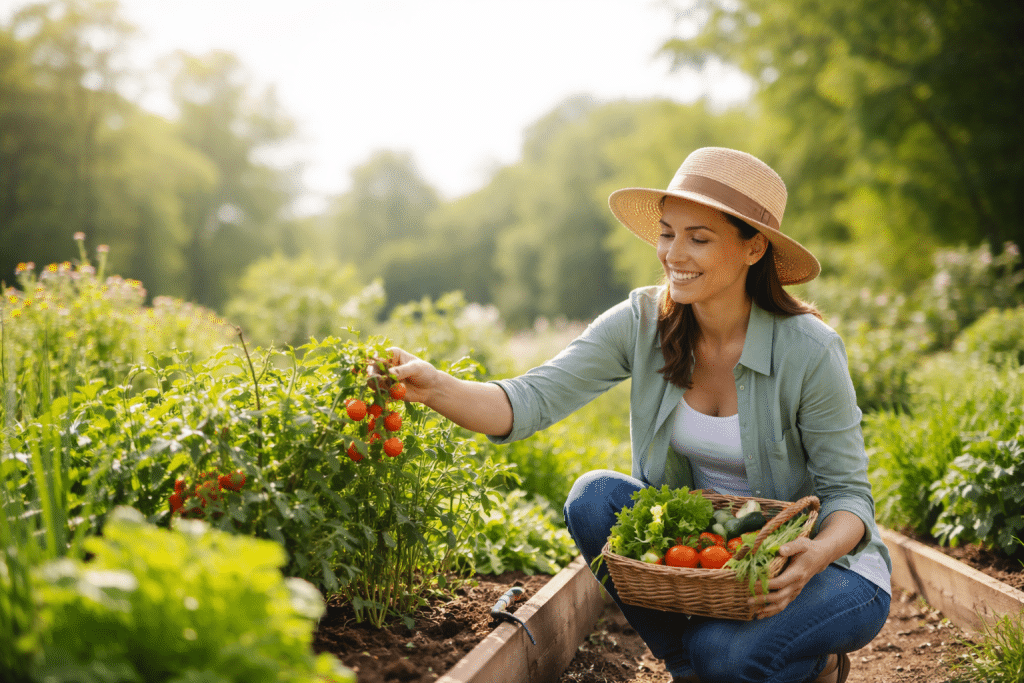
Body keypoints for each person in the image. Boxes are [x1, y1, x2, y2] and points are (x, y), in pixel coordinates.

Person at [384, 147, 891, 683]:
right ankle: (686, 667)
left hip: (824, 568)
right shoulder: (643, 321)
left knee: (730, 655)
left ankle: (813, 665)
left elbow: (849, 496)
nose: (674, 252)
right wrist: (435, 386)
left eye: (699, 238)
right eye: (668, 233)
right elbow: (528, 400)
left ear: (753, 248)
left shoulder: (809, 350)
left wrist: (812, 554)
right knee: (595, 497)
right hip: (712, 560)